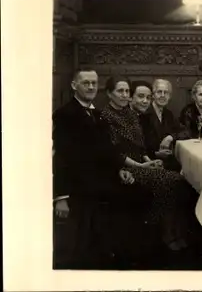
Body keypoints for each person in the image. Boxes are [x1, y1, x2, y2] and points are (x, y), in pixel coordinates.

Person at [52, 70, 151, 269]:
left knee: (141, 192)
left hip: (102, 180)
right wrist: (61, 197)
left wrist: (119, 170)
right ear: (74, 85)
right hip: (80, 186)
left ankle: (126, 256)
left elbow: (107, 150)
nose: (90, 87)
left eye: (94, 83)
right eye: (86, 83)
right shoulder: (65, 115)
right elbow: (61, 157)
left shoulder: (97, 114)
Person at [101, 76, 202, 255]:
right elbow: (115, 153)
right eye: (121, 92)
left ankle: (171, 232)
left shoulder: (129, 114)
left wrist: (149, 161)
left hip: (140, 164)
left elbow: (140, 147)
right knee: (175, 181)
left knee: (180, 181)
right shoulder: (106, 116)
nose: (125, 95)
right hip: (125, 169)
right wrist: (143, 165)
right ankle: (163, 233)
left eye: (126, 92)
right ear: (109, 94)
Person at [136, 79, 186, 171]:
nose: (162, 95)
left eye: (166, 93)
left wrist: (170, 137)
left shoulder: (168, 114)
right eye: (159, 92)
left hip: (166, 162)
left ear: (169, 96)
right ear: (153, 95)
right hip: (148, 163)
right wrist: (156, 154)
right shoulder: (144, 112)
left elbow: (186, 131)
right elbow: (138, 146)